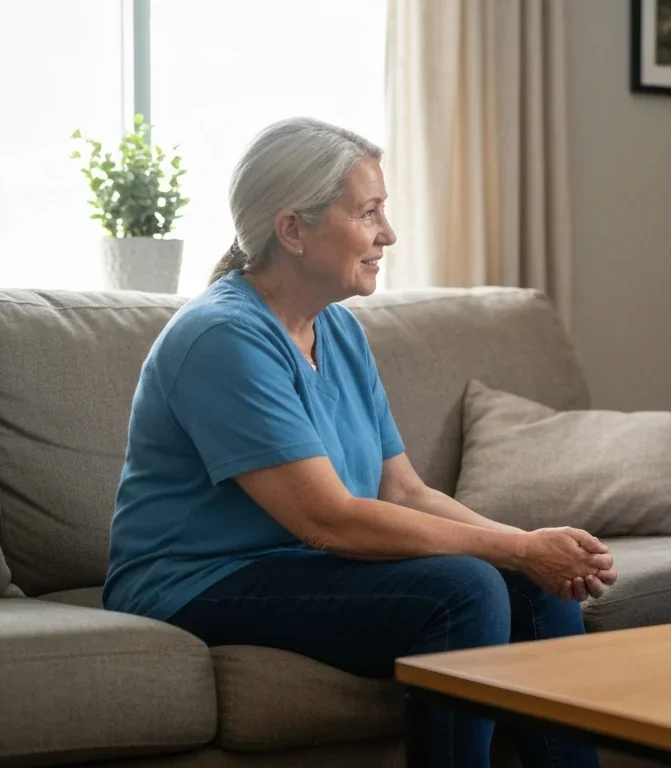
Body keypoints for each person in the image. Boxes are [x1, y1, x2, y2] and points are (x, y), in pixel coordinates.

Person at [102, 117, 614, 767]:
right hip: (193, 582)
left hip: (290, 568)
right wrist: (516, 547)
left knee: (536, 587)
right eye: (369, 213)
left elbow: (401, 489)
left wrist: (534, 553)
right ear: (292, 230)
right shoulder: (222, 338)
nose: (388, 235)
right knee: (469, 589)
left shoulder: (338, 332)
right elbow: (330, 521)